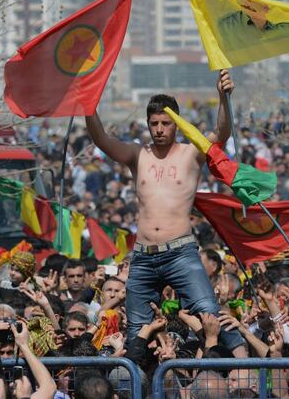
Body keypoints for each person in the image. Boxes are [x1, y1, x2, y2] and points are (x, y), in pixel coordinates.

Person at [86, 70, 245, 356]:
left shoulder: (192, 152)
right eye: (154, 123)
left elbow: (221, 133)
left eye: (166, 123)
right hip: (144, 257)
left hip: (181, 252)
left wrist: (223, 97)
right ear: (148, 124)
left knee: (210, 313)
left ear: (177, 124)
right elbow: (102, 140)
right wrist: (89, 108)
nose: (159, 129)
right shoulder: (137, 154)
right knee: (137, 328)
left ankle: (242, 370)